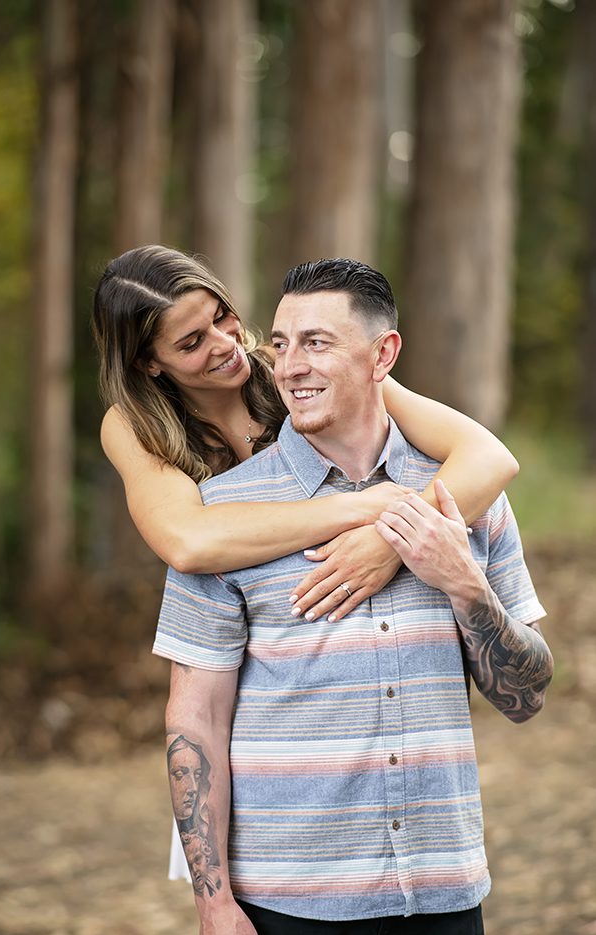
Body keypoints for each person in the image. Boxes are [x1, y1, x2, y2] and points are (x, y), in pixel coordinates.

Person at [152, 258, 553, 935]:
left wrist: (464, 586)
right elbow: (194, 719)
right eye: (280, 343)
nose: (288, 367)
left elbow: (526, 697)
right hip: (286, 911)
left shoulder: (468, 500)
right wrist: (212, 908)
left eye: (316, 343)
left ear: (382, 356)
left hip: (441, 900)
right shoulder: (224, 518)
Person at [92, 244, 518, 882]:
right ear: (149, 364)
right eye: (190, 343)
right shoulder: (135, 426)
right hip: (249, 679)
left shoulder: (295, 364)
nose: (225, 344)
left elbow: (488, 460)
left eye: (223, 316)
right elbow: (188, 541)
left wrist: (389, 542)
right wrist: (361, 513)